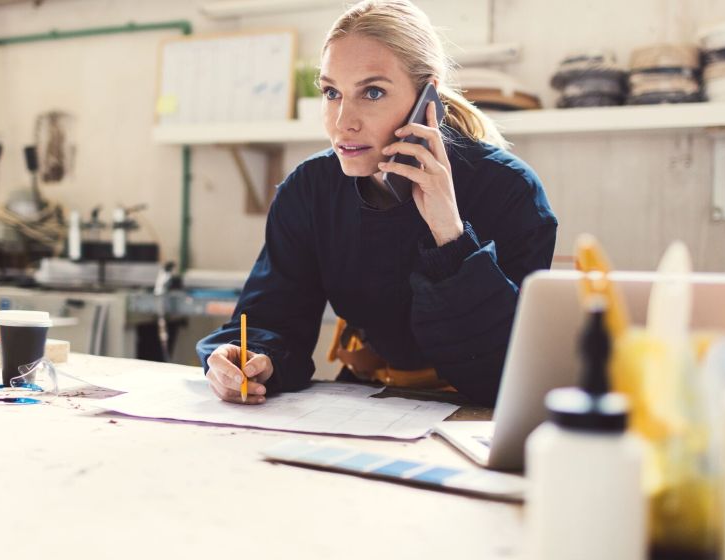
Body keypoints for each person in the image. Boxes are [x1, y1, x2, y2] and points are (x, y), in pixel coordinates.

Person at [197, 0, 557, 406]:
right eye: (332, 92)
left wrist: (450, 235)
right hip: (368, 401)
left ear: (428, 97)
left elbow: (507, 371)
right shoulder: (310, 190)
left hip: (474, 414)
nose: (342, 121)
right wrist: (247, 357)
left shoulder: (510, 190)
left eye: (372, 92)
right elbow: (270, 319)